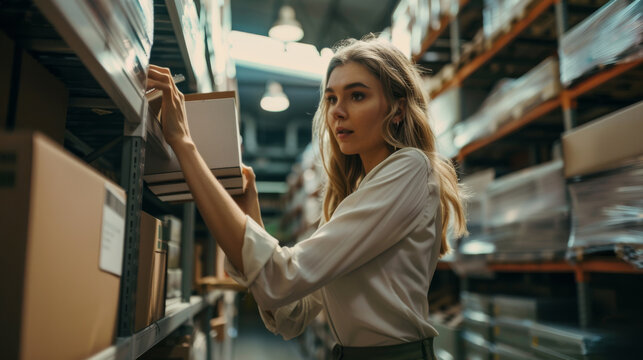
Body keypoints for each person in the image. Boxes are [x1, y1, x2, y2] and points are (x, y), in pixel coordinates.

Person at [146, 35, 467, 360]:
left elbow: (280, 279)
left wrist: (183, 142)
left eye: (357, 96)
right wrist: (251, 212)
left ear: (397, 109)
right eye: (331, 99)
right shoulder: (357, 197)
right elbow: (291, 313)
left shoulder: (409, 168)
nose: (338, 111)